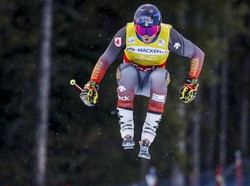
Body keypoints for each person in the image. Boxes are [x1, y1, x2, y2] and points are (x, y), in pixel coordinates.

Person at [80, 4, 205, 160]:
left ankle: (149, 131)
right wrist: (92, 83)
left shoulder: (168, 35)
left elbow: (197, 54)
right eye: (141, 30)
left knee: (160, 75)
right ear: (135, 26)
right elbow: (105, 59)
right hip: (131, 80)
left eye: (151, 30)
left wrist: (191, 82)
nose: (146, 36)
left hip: (152, 83)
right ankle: (126, 128)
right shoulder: (127, 32)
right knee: (128, 71)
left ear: (158, 28)